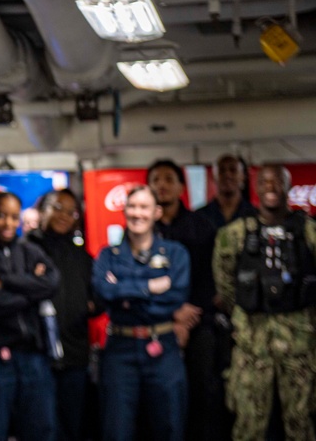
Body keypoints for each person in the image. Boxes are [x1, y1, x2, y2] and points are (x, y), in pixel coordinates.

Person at [213, 164, 316, 441]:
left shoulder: (307, 231)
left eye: (278, 182)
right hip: (251, 345)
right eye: (265, 182)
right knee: (249, 423)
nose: (271, 187)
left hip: (299, 344)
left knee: (301, 420)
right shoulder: (234, 234)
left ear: (288, 187)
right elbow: (225, 284)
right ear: (256, 188)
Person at [93, 185, 190, 441]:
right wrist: (150, 286)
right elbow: (104, 292)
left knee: (169, 427)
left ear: (157, 212)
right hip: (120, 349)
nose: (137, 213)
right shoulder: (108, 255)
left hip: (163, 347)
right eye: (132, 207)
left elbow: (174, 298)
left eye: (144, 207)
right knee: (116, 431)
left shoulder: (175, 253)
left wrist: (123, 290)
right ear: (124, 211)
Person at [0, 191, 60, 441]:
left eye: (13, 217)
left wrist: (6, 282)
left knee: (40, 429)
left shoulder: (32, 251)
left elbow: (52, 283)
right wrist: (31, 292)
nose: (8, 223)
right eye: (1, 215)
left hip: (33, 356)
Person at [147, 159, 220, 440]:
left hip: (198, 322)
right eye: (156, 180)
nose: (162, 185)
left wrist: (187, 320)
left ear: (180, 187)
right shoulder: (141, 232)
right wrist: (172, 312)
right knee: (160, 397)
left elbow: (209, 279)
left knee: (202, 391)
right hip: (155, 323)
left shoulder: (201, 227)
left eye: (168, 179)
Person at [193, 153, 257, 440]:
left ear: (244, 177)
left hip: (247, 320)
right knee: (207, 392)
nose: (229, 175)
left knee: (248, 390)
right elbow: (191, 269)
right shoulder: (198, 218)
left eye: (235, 170)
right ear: (213, 177)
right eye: (223, 170)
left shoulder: (256, 218)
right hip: (205, 319)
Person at [28, 189, 98, 441]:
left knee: (71, 427)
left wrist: (88, 305)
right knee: (40, 426)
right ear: (42, 210)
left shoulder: (83, 257)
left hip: (75, 353)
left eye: (71, 212)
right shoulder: (25, 250)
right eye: (57, 207)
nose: (64, 216)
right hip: (35, 354)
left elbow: (99, 297)